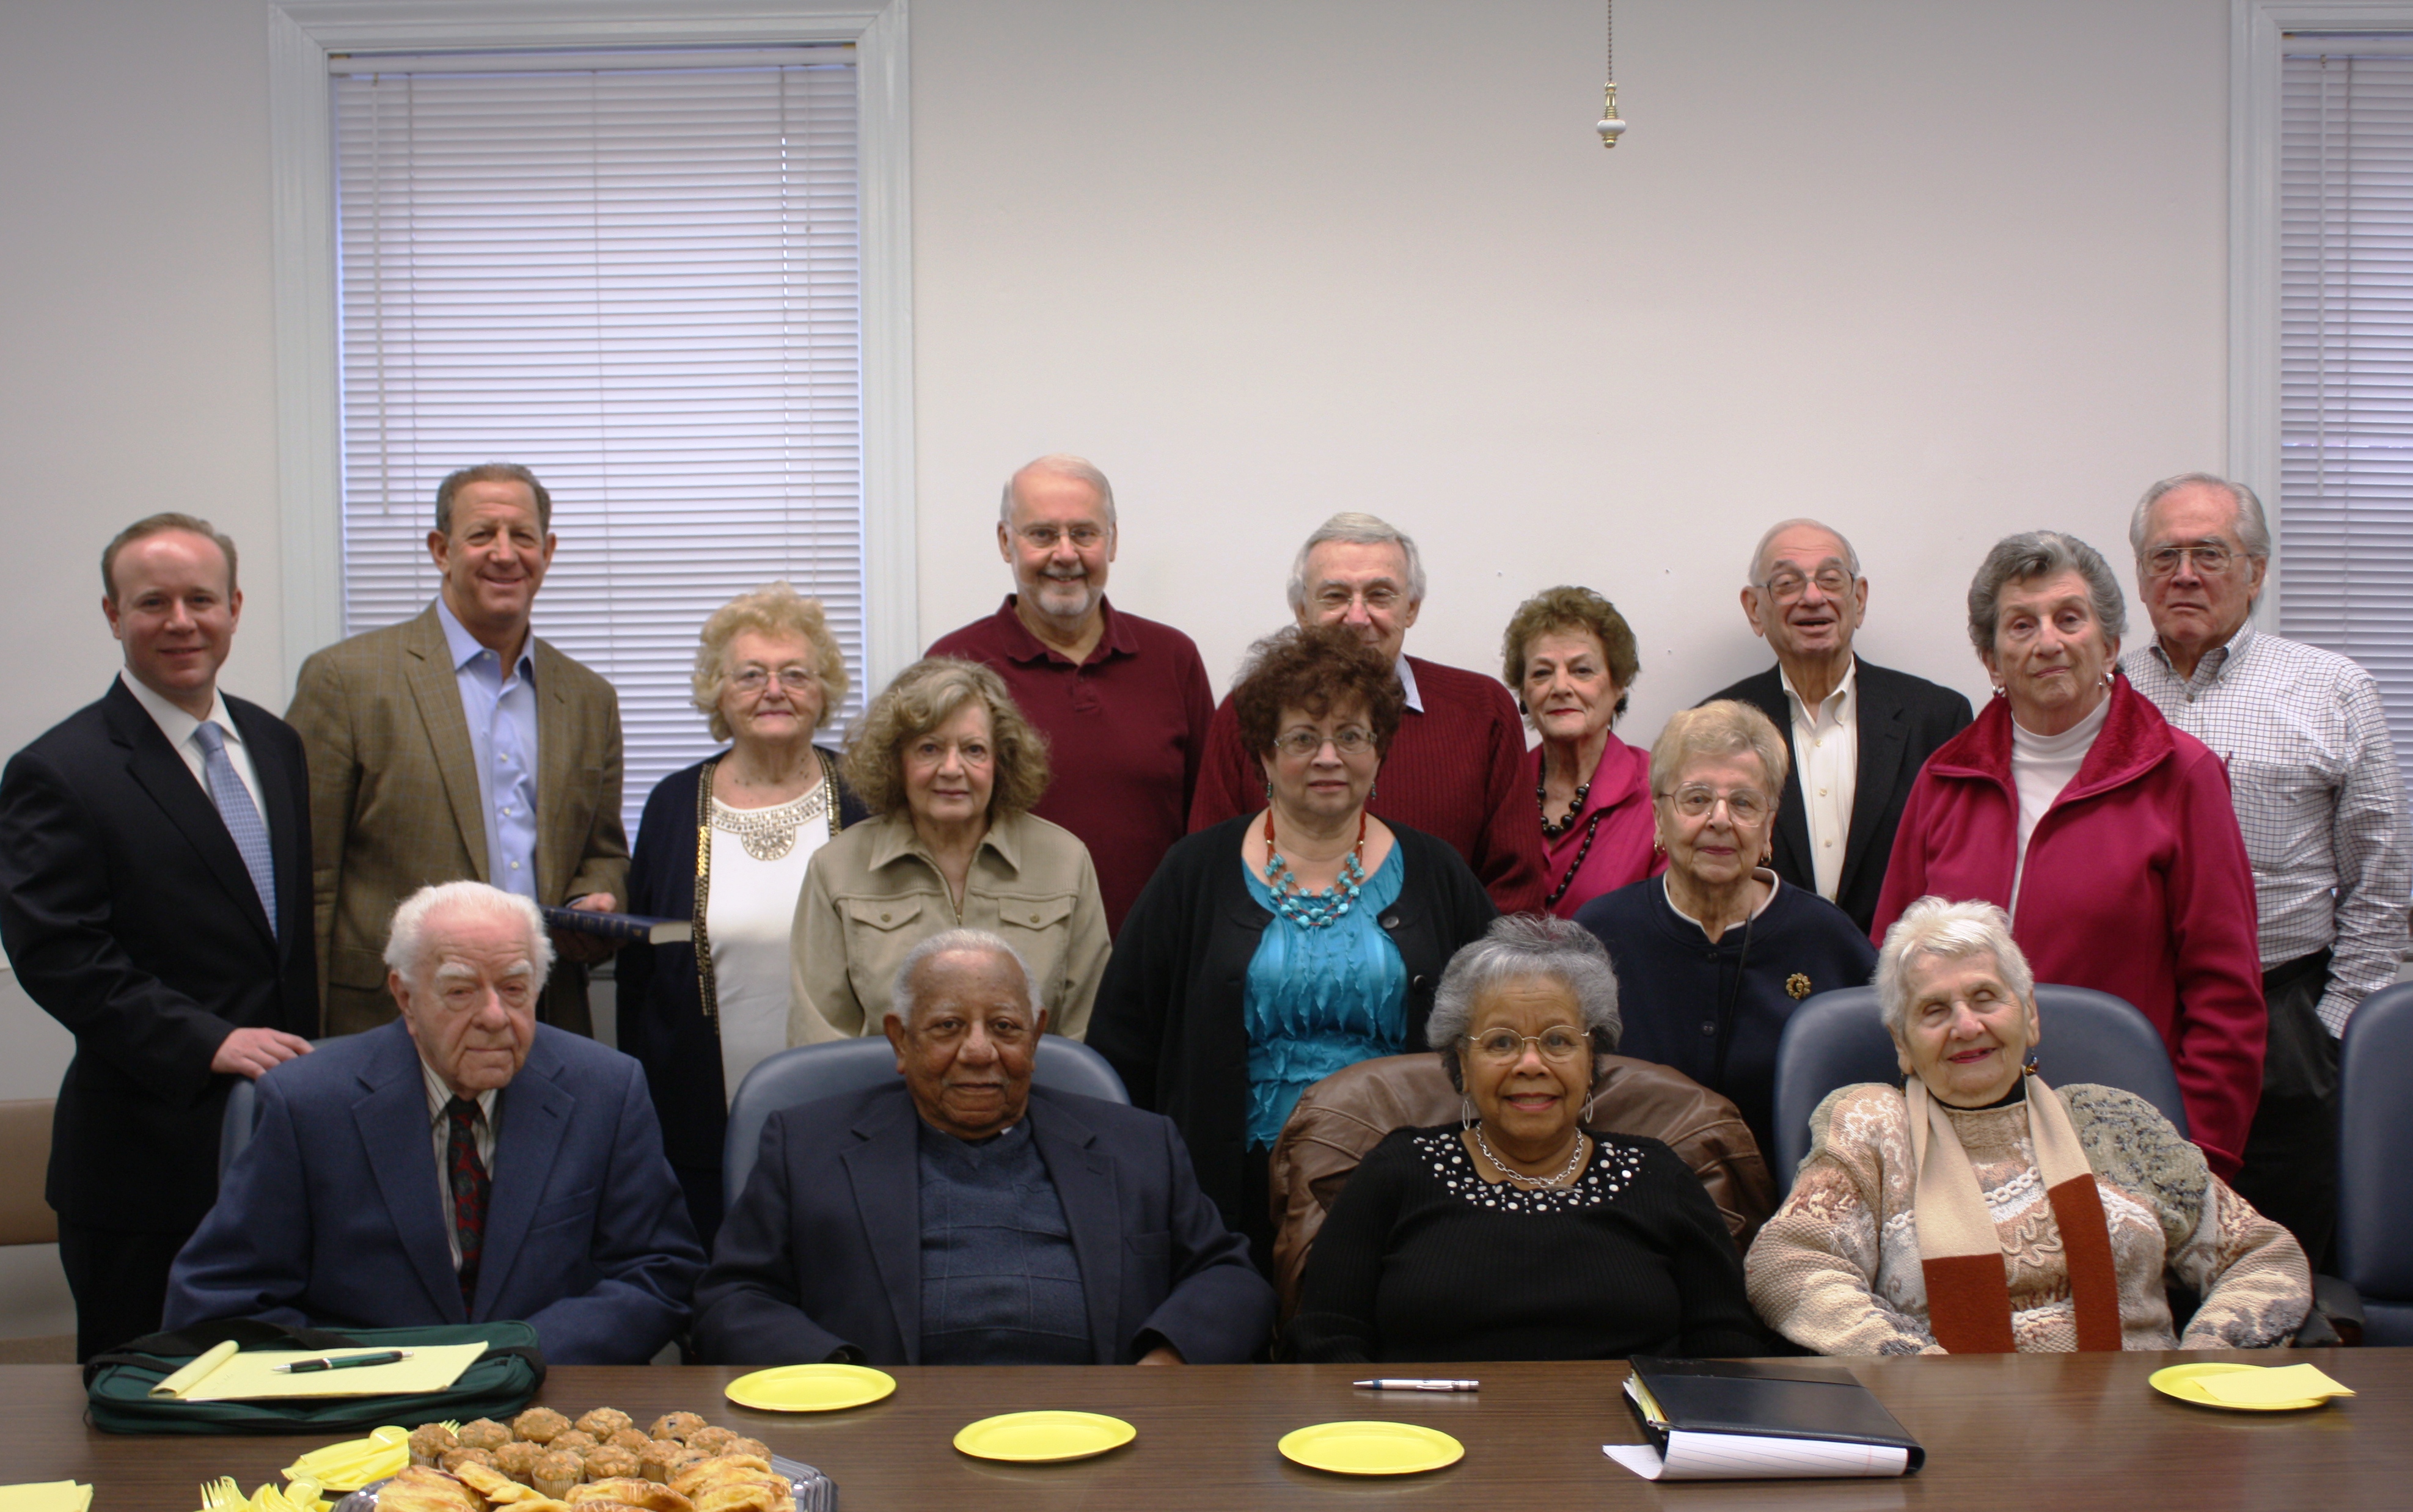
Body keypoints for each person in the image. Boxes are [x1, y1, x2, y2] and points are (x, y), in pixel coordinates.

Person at [0, 515, 318, 1360]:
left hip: (283, 1151)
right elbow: (59, 953)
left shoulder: (277, 743)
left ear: (235, 607)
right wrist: (211, 1040)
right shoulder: (59, 769)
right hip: (144, 1165)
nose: (181, 620)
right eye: (153, 601)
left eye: (200, 598)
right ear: (113, 613)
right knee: (145, 1418)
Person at [164, 882, 705, 1365]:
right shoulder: (309, 1102)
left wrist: (517, 1351)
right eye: (461, 991)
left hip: (547, 1400)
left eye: (515, 989)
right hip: (367, 1411)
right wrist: (380, 1368)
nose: (495, 1015)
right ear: (405, 997)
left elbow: (660, 1270)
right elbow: (222, 1298)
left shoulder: (605, 1089)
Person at [1088, 624, 1496, 1262]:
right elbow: (1124, 1044)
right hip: (1224, 1194)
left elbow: (1493, 1028)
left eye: (1351, 736)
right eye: (1303, 738)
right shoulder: (1194, 872)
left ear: (1380, 749)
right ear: (1264, 756)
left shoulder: (1437, 874)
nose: (1328, 757)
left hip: (1404, 1189)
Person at [1746, 897, 2310, 1354]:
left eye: (1985, 997)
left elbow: (2260, 1255)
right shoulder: (1871, 1124)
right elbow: (1788, 1264)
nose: (1966, 1026)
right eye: (1934, 1010)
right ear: (1901, 1044)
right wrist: (1915, 1371)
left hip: (2143, 1428)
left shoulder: (2114, 1120)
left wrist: (2203, 1365)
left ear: (2031, 1014)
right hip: (1950, 1435)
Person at [1873, 530, 2266, 1181]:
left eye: (2069, 618)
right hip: (1959, 1139)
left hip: (2125, 1139)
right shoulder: (1944, 778)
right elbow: (1891, 969)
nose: (2047, 642)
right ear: (1990, 657)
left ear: (2109, 644)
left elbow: (2225, 997)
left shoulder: (2180, 775)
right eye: (2021, 625)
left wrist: (2195, 1162)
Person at [694, 930, 1274, 1365]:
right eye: (948, 1026)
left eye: (1004, 1026)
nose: (978, 1050)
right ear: (900, 1039)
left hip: (1103, 1430)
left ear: (1036, 1034)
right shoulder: (805, 1145)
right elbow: (733, 1299)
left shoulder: (1138, 1145)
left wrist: (1165, 1363)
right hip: (883, 1436)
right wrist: (833, 1377)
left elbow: (1229, 1276)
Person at [2121, 472, 2409, 1265]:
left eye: (2209, 553)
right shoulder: (2101, 692)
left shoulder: (2332, 688)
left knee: (2274, 1259)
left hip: (2281, 1012)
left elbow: (2380, 873)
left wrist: (2334, 1023)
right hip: (2135, 1015)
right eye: (2164, 555)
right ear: (2140, 576)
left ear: (2256, 569)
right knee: (2133, 1248)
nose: (2185, 573)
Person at [1287, 916, 1766, 1362]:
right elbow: (1326, 1335)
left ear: (1591, 1056)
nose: (1530, 1064)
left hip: (1627, 1440)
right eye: (1500, 1043)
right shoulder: (1397, 1170)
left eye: (1558, 1041)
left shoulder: (1658, 1174)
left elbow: (1724, 1340)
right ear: (1462, 1064)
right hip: (1426, 1440)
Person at [287, 462, 629, 1037]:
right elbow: (308, 878)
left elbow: (603, 851)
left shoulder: (589, 697)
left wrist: (595, 898)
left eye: (522, 536)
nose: (504, 553)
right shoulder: (346, 679)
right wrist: (305, 1030)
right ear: (441, 550)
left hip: (539, 1014)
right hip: (387, 1019)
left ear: (546, 552)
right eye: (481, 535)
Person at [617, 583, 871, 1245]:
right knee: (717, 1289)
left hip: (852, 1110)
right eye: (751, 675)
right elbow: (641, 972)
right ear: (718, 692)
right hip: (696, 1117)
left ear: (825, 690)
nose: (774, 690)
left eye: (795, 674)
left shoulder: (869, 798)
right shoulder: (672, 804)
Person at [1187, 513, 1546, 914]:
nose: (1357, 618)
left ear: (1410, 607)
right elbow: (1209, 877)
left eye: (1379, 595)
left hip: (1448, 974)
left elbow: (1516, 888)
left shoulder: (1483, 711)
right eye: (1335, 596)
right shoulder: (1246, 713)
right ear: (1302, 610)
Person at [1573, 701, 1878, 1159]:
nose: (1720, 819)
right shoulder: (1597, 934)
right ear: (1659, 816)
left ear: (1769, 823)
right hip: (1628, 1207)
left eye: (1743, 802)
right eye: (1696, 799)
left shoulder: (1827, 938)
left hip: (1794, 1207)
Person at [927, 455, 1215, 935]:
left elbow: (1208, 824)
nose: (1065, 553)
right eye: (1041, 534)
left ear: (1112, 541)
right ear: (1005, 542)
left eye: (1084, 533)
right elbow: (930, 829)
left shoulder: (1172, 658)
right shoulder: (954, 662)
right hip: (1004, 966)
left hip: (1152, 958)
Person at [789, 657, 1110, 1041]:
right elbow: (819, 1039)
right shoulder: (837, 868)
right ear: (896, 761)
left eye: (974, 750)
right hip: (885, 1094)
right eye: (929, 749)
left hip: (1034, 1096)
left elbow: (1087, 1031)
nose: (952, 768)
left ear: (1000, 761)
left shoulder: (1064, 861)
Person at [1705, 519, 1974, 934]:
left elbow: (1962, 871)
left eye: (1830, 580)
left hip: (1903, 980)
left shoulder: (1936, 718)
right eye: (1787, 583)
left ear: (1859, 599)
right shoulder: (1715, 725)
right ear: (1754, 609)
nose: (1812, 597)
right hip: (1764, 978)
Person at [1503, 585, 1662, 918]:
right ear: (1524, 694)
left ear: (1618, 686)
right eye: (1543, 673)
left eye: (1582, 671)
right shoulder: (1501, 789)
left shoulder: (1662, 793)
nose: (1561, 687)